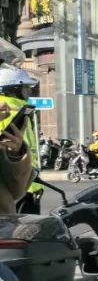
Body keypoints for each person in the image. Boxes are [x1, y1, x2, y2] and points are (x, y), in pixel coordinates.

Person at [0, 67, 41, 213]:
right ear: (14, 89)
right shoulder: (11, 112)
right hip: (23, 184)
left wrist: (17, 153)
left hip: (23, 181)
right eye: (25, 88)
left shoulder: (19, 111)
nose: (29, 92)